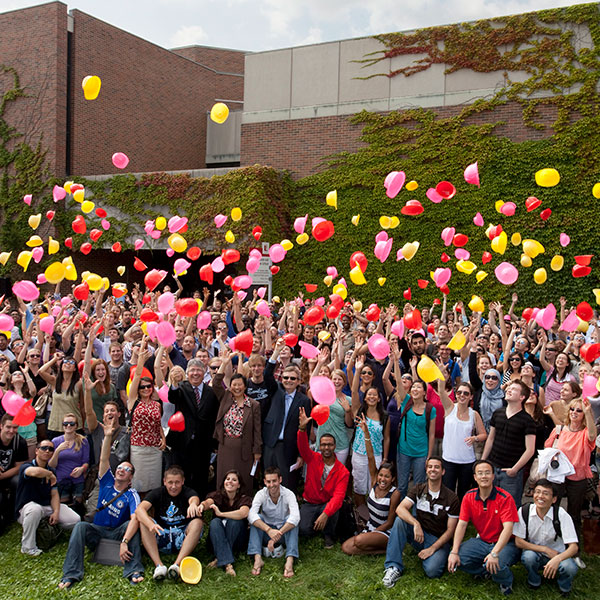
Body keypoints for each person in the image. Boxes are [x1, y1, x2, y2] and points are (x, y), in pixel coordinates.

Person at [59, 420, 144, 589]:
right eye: (120, 467)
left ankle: (134, 569)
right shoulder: (106, 481)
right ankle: (71, 573)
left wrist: (125, 541)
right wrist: (107, 436)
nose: (121, 470)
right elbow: (104, 458)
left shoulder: (132, 494)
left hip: (117, 534)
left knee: (133, 523)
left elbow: (135, 517)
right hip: (97, 532)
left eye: (126, 469)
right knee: (80, 526)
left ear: (130, 478)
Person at [382, 456, 460, 587]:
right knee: (400, 521)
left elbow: (451, 530)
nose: (433, 469)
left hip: (438, 540)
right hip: (419, 534)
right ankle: (393, 567)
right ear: (426, 470)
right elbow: (400, 509)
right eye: (430, 467)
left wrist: (432, 549)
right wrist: (415, 523)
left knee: (432, 571)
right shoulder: (419, 488)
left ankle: (436, 556)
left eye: (436, 467)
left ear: (443, 471)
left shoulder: (452, 498)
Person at [447, 459, 520, 596]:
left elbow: (508, 529)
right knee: (458, 558)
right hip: (483, 541)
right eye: (480, 473)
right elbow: (462, 524)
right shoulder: (468, 497)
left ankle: (505, 580)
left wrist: (494, 553)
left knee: (497, 564)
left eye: (487, 473)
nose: (484, 476)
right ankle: (485, 570)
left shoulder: (505, 498)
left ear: (493, 476)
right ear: (475, 477)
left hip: (506, 544)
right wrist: (454, 551)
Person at [342, 415, 401, 556]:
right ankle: (380, 551)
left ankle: (389, 546)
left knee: (360, 541)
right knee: (346, 547)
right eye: (381, 475)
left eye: (387, 477)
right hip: (371, 527)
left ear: (392, 479)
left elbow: (390, 522)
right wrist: (366, 433)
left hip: (385, 531)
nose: (382, 479)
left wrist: (375, 532)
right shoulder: (375, 482)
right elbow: (370, 457)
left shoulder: (395, 494)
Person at [135, 465, 203, 581]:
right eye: (170, 482)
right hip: (161, 534)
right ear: (164, 481)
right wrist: (151, 524)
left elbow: (194, 498)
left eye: (177, 482)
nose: (173, 486)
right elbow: (139, 510)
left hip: (182, 538)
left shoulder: (188, 491)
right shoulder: (157, 492)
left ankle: (176, 565)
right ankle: (159, 566)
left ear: (183, 481)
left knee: (198, 522)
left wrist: (193, 504)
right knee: (144, 522)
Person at [514, 479, 579, 595]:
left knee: (570, 568)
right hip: (535, 552)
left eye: (545, 493)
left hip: (558, 554)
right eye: (537, 492)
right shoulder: (525, 511)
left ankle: (564, 587)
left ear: (554, 499)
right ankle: (533, 581)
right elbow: (519, 541)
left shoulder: (561, 514)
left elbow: (574, 547)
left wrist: (557, 559)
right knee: (528, 557)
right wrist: (544, 549)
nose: (540, 496)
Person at [15, 440, 80, 556]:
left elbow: (54, 494)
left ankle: (48, 528)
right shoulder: (27, 466)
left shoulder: (52, 470)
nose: (47, 451)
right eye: (44, 448)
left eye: (50, 449)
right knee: (35, 510)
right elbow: (34, 472)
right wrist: (49, 475)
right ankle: (28, 547)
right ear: (36, 451)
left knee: (74, 519)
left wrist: (56, 512)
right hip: (27, 509)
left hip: (46, 506)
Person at [297, 407, 349, 548]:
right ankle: (315, 527)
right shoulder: (313, 458)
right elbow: (302, 448)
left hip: (327, 503)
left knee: (334, 507)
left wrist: (325, 513)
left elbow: (338, 497)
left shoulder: (342, 471)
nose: (326, 448)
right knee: (303, 531)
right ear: (319, 446)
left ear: (334, 446)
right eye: (323, 445)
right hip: (310, 503)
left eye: (330, 445)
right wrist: (302, 429)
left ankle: (329, 535)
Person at [263, 340, 311, 492]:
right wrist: (276, 351)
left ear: (298, 382)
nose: (288, 381)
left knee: (286, 484)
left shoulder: (304, 400)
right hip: (271, 443)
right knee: (268, 482)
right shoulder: (276, 390)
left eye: (292, 378)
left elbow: (306, 429)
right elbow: (267, 374)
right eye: (285, 378)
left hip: (289, 447)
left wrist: (301, 454)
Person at [167, 357, 219, 500]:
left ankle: (198, 510)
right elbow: (172, 397)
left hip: (202, 445)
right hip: (182, 442)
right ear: (187, 372)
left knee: (200, 479)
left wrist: (214, 444)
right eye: (192, 370)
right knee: (180, 477)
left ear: (204, 372)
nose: (195, 373)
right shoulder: (181, 387)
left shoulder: (210, 393)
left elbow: (213, 419)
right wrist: (175, 383)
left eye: (198, 370)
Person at [213, 350, 262, 495]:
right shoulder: (226, 397)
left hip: (244, 448)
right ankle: (221, 508)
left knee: (243, 479)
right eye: (234, 384)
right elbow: (216, 383)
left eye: (240, 385)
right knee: (225, 478)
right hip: (226, 445)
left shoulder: (253, 405)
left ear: (245, 387)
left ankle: (243, 508)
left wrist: (257, 451)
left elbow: (257, 431)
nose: (237, 387)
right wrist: (225, 362)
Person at [544, 397, 596, 529]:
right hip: (558, 476)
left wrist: (588, 411)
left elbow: (592, 436)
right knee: (552, 509)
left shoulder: (584, 433)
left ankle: (573, 543)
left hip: (578, 477)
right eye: (572, 409)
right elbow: (547, 449)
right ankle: (552, 536)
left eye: (579, 411)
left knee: (574, 513)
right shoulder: (559, 430)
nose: (574, 412)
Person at [482, 379, 536, 508]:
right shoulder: (498, 413)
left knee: (510, 507)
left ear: (522, 397)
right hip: (493, 468)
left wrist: (515, 469)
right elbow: (491, 439)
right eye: (509, 388)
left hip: (511, 472)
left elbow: (530, 450)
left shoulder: (527, 420)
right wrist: (483, 461)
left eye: (514, 389)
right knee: (491, 505)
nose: (509, 390)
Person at [127, 337, 165, 494]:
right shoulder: (133, 402)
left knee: (154, 485)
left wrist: (163, 438)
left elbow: (158, 424)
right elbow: (136, 377)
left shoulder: (157, 404)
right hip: (139, 448)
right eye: (142, 387)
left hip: (155, 448)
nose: (145, 389)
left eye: (149, 386)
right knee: (139, 484)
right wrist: (141, 359)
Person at [247, 466, 300, 578]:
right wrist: (269, 530)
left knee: (291, 520)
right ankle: (258, 559)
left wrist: (277, 534)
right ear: (265, 482)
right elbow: (251, 515)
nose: (272, 485)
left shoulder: (289, 494)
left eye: (274, 481)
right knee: (257, 518)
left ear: (280, 480)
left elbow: (296, 517)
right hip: (267, 532)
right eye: (269, 482)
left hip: (284, 533)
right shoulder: (261, 494)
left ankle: (289, 561)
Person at [439, 379, 487, 499]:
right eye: (459, 392)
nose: (462, 395)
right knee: (447, 491)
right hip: (449, 459)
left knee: (464, 493)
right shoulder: (450, 407)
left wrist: (475, 438)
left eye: (466, 393)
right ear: (456, 394)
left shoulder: (474, 414)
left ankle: (462, 516)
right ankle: (448, 516)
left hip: (467, 461)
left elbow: (483, 435)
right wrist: (440, 375)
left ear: (471, 396)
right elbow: (441, 391)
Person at [200, 470, 251, 576]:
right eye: (227, 479)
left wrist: (221, 514)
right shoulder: (218, 495)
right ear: (224, 482)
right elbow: (209, 502)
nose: (230, 482)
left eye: (234, 480)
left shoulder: (244, 498)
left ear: (239, 485)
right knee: (215, 522)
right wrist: (202, 505)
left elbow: (243, 513)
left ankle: (220, 558)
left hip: (237, 540)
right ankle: (228, 564)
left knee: (234, 522)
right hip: (216, 538)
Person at [48, 412, 89, 509]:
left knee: (77, 507)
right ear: (62, 426)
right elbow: (51, 465)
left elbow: (86, 462)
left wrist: (81, 469)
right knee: (63, 507)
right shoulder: (56, 441)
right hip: (61, 479)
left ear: (76, 426)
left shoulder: (83, 441)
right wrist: (57, 451)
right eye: (65, 424)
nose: (68, 426)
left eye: (72, 424)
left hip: (77, 479)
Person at [0, 413, 27, 534]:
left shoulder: (20, 442)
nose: (11, 431)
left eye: (15, 427)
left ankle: (11, 513)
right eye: (8, 427)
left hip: (9, 474)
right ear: (1, 426)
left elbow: (19, 466)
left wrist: (3, 476)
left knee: (19, 481)